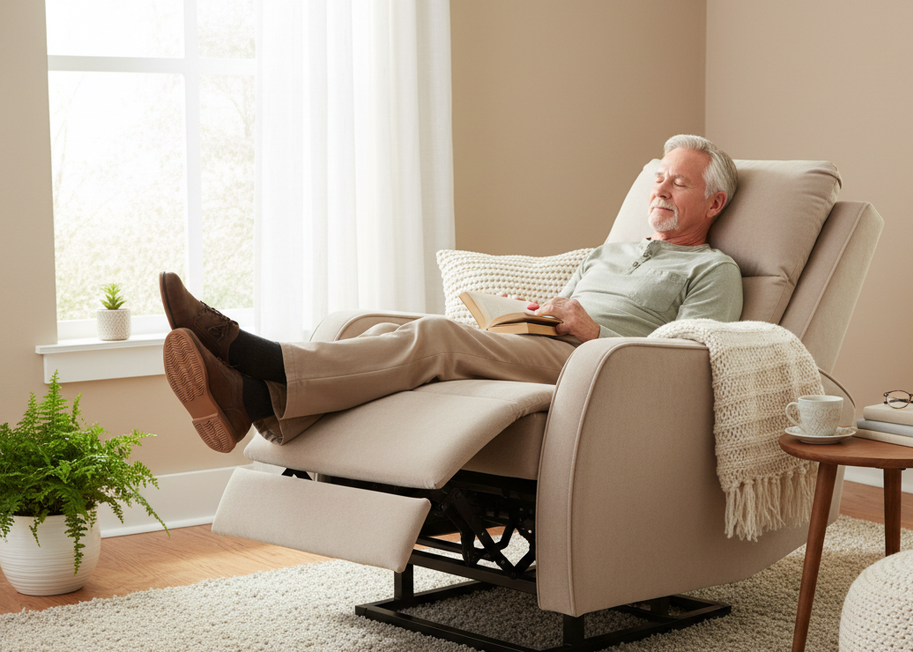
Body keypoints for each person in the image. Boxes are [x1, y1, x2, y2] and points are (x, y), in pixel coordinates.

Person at [161, 134, 744, 453]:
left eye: (679, 181)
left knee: (436, 340)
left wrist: (596, 331)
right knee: (381, 335)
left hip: (600, 367)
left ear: (713, 203)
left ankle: (245, 353)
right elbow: (556, 311)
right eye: (659, 176)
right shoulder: (607, 252)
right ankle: (254, 402)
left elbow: (697, 357)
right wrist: (529, 315)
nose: (661, 186)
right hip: (545, 348)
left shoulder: (715, 270)